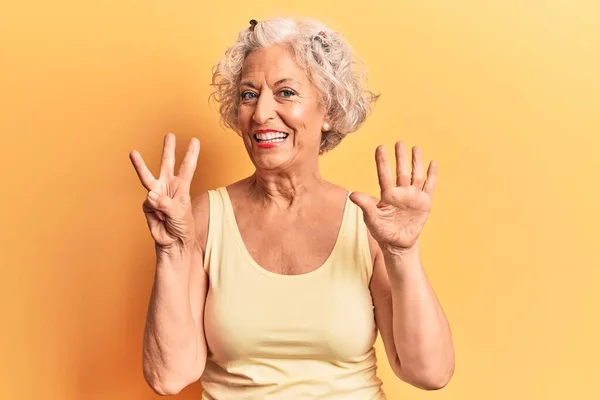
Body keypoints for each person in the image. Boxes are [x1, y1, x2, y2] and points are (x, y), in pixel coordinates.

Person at [129, 17, 455, 399]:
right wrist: (170, 251)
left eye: (285, 92)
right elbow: (169, 377)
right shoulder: (203, 217)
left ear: (329, 109)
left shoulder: (368, 225)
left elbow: (429, 372)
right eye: (249, 95)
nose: (262, 112)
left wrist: (402, 252)